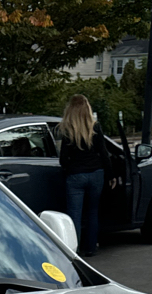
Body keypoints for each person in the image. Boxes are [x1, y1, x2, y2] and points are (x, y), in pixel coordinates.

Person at [56, 94, 122, 257]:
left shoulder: (66, 129)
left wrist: (68, 169)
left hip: (76, 175)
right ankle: (91, 247)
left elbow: (63, 158)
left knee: (74, 215)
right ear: (87, 109)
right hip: (96, 173)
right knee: (93, 212)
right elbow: (104, 153)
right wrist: (111, 174)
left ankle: (74, 251)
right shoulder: (95, 128)